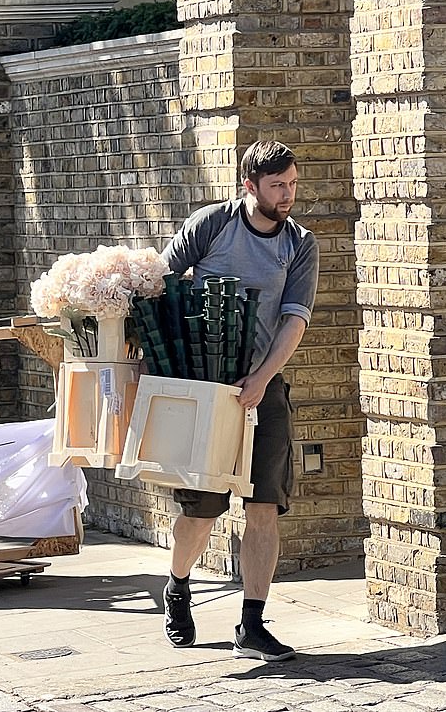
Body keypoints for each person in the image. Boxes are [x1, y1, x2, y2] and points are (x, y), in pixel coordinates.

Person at [159, 140, 319, 661]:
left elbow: (294, 319)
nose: (288, 195)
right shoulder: (212, 225)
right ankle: (179, 585)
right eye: (278, 186)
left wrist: (262, 378)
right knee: (202, 514)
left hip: (264, 387)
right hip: (207, 387)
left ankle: (252, 622)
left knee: (264, 507)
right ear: (248, 185)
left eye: (293, 183)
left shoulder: (300, 243)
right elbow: (157, 283)